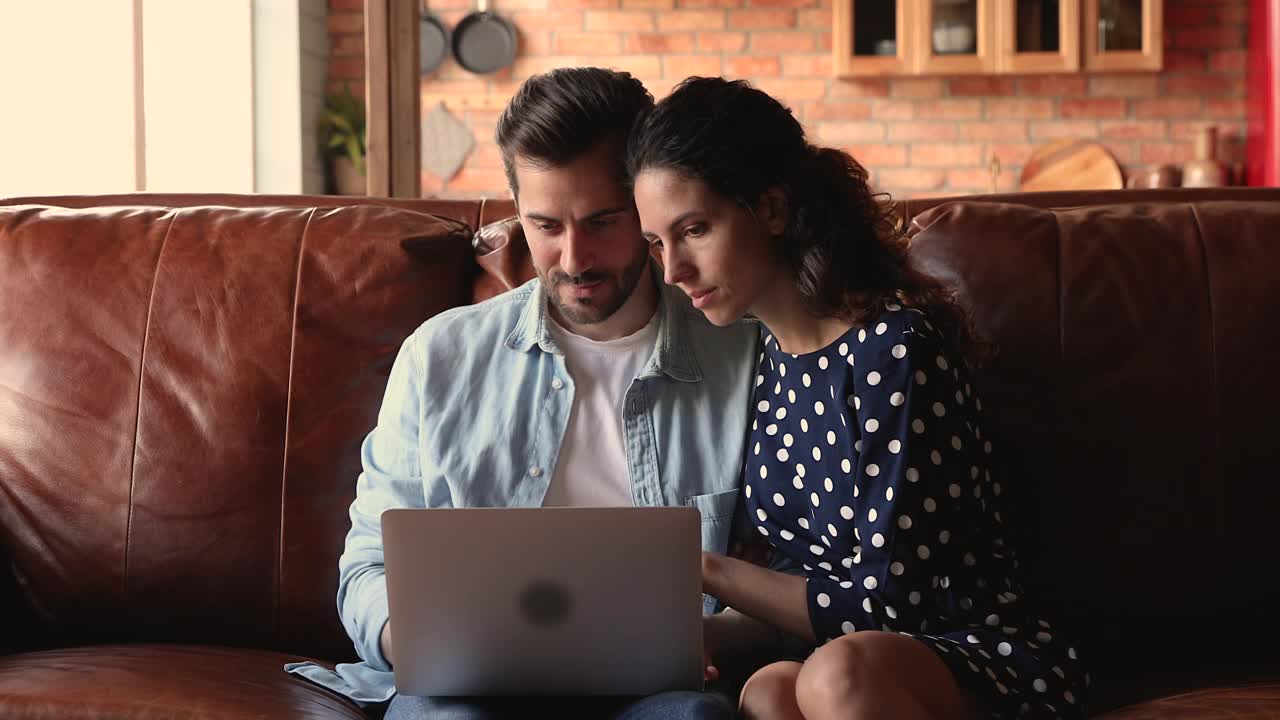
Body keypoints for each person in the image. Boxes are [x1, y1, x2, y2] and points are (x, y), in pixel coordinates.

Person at [284, 67, 759, 719]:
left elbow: (794, 585)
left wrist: (700, 639)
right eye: (545, 225)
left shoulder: (746, 357)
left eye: (602, 222)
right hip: (467, 693)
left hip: (663, 694)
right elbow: (366, 569)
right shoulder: (438, 357)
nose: (573, 259)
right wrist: (417, 640)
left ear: (648, 205)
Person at [626, 76, 1089, 720]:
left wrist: (702, 568)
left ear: (773, 209)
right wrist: (679, 639)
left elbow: (887, 608)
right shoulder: (768, 360)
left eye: (694, 229)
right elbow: (805, 588)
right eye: (657, 243)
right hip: (844, 658)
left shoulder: (894, 350)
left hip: (977, 656)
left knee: (832, 677)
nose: (673, 269)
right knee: (768, 689)